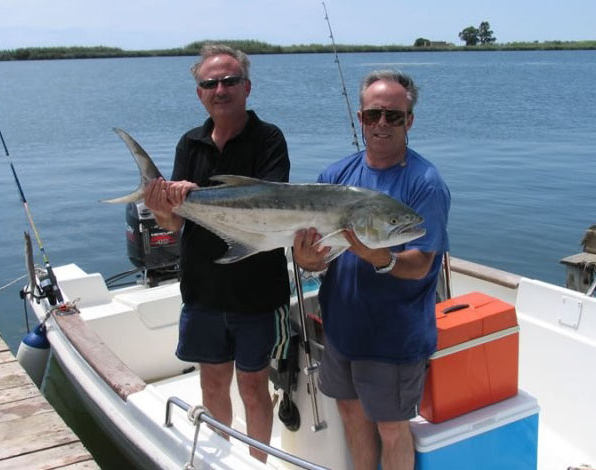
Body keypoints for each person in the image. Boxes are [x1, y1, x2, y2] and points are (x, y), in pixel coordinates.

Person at [293, 70, 450, 470]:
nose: (382, 124)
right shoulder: (334, 177)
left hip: (393, 336)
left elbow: (422, 263)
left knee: (392, 429)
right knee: (350, 415)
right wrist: (308, 260)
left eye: (393, 116)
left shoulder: (425, 183)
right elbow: (318, 255)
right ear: (360, 118)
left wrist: (382, 258)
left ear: (409, 121)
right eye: (372, 115)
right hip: (342, 328)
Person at [143, 44, 290, 463]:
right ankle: (224, 460)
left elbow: (270, 202)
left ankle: (255, 462)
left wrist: (200, 196)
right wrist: (162, 205)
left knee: (253, 387)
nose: (219, 89)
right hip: (203, 288)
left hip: (257, 292)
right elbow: (175, 224)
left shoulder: (268, 138)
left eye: (229, 81)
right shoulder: (189, 143)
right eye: (210, 83)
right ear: (199, 93)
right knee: (212, 385)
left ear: (247, 87)